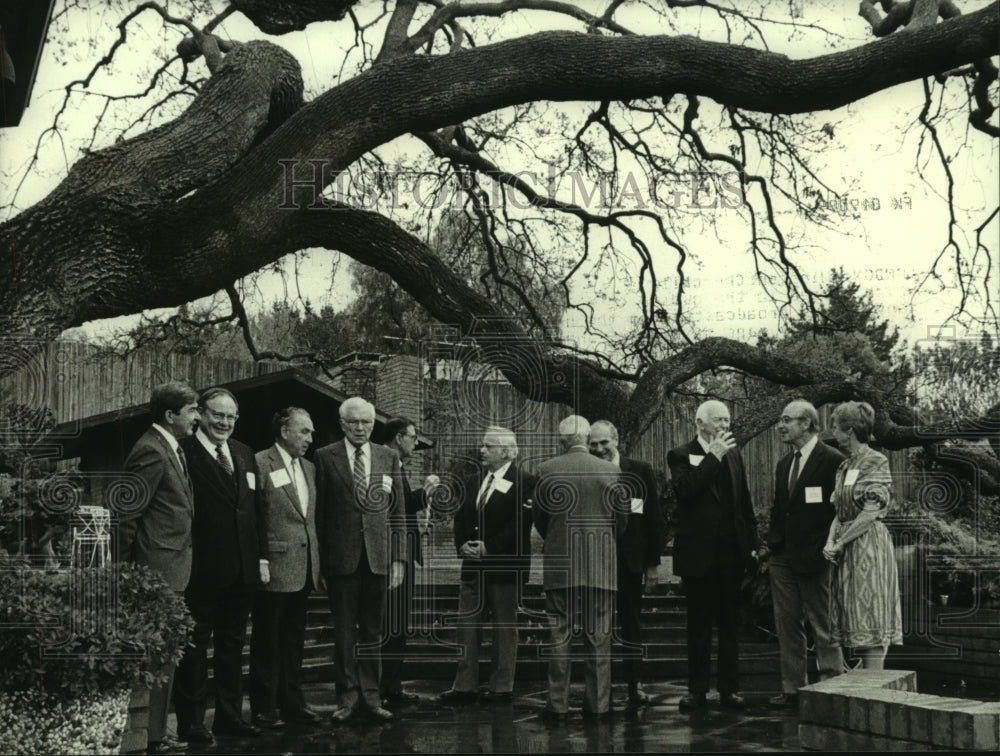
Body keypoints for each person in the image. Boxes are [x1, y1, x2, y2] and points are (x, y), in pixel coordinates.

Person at [174, 387, 266, 743]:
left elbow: (254, 511)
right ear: (200, 413)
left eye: (231, 416)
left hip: (242, 572)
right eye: (218, 415)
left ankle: (229, 717)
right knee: (194, 650)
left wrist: (260, 558)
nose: (224, 422)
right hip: (201, 571)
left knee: (232, 648)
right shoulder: (183, 451)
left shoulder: (244, 453)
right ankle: (192, 723)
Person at [118, 380, 200, 755]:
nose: (197, 417)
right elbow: (127, 514)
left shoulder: (171, 448)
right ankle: (151, 737)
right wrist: (126, 574)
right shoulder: (150, 451)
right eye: (192, 410)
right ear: (170, 415)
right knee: (157, 656)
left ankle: (155, 733)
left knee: (165, 655)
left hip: (171, 568)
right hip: (155, 572)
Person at [314, 396, 406, 724]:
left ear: (372, 424)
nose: (359, 427)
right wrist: (319, 563)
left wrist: (399, 560)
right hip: (341, 559)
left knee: (373, 631)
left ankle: (371, 697)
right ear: (342, 424)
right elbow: (319, 514)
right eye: (353, 422)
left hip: (378, 558)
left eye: (366, 422)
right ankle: (347, 698)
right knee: (344, 633)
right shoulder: (324, 457)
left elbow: (398, 513)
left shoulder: (388, 457)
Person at [666, 400, 757, 711]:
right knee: (699, 626)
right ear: (700, 423)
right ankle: (697, 690)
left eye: (727, 420)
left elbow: (744, 503)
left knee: (730, 625)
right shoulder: (680, 454)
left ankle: (729, 689)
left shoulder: (735, 455)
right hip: (698, 556)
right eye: (718, 420)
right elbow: (686, 491)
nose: (724, 425)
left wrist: (753, 544)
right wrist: (713, 456)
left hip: (731, 555)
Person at [534, 415, 625, 722]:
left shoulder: (546, 470)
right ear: (587, 439)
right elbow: (621, 521)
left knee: (559, 637)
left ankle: (557, 705)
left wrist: (557, 539)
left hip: (561, 565)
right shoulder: (611, 471)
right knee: (599, 638)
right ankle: (598, 705)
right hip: (600, 565)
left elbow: (541, 518)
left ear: (562, 441)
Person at [438, 426, 536, 704]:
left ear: (506, 452)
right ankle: (464, 686)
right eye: (483, 445)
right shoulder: (473, 481)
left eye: (488, 446)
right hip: (472, 568)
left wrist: (489, 547)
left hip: (505, 568)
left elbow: (520, 524)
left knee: (504, 629)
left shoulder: (526, 482)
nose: (481, 450)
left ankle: (501, 688)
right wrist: (462, 545)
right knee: (467, 627)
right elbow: (460, 517)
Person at [766, 400, 845, 709]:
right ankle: (793, 690)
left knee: (823, 625)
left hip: (816, 558)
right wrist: (772, 545)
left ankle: (831, 689)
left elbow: (840, 511)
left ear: (807, 424)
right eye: (781, 420)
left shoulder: (833, 460)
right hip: (782, 557)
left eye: (787, 420)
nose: (780, 426)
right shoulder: (784, 464)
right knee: (787, 626)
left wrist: (827, 548)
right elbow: (779, 509)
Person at [248, 408, 322, 728]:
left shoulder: (309, 468)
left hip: (303, 568)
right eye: (304, 431)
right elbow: (254, 516)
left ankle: (293, 703)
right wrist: (260, 558)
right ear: (283, 431)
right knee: (267, 639)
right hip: (274, 567)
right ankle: (264, 707)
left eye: (311, 433)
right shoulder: (259, 462)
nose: (310, 439)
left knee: (293, 640)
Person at [588, 420, 663, 712]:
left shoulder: (640, 471)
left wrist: (652, 564)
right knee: (598, 627)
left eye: (603, 442)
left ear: (616, 440)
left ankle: (635, 684)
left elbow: (653, 519)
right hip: (595, 561)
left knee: (631, 625)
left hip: (630, 562)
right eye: (593, 444)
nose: (598, 449)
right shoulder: (587, 471)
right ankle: (601, 689)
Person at [823, 401, 902, 669]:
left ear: (850, 431)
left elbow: (870, 512)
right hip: (846, 547)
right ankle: (862, 684)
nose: (833, 432)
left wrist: (841, 541)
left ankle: (873, 683)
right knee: (853, 616)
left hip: (868, 545)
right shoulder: (845, 465)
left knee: (871, 617)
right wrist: (830, 541)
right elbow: (839, 512)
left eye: (836, 427)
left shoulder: (875, 460)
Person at [379, 416, 436, 707]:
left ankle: (392, 686)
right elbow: (394, 507)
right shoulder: (384, 463)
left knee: (398, 624)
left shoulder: (396, 465)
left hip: (403, 555)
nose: (415, 443)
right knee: (392, 624)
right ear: (399, 437)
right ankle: (386, 688)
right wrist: (426, 491)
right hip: (392, 558)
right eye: (413, 438)